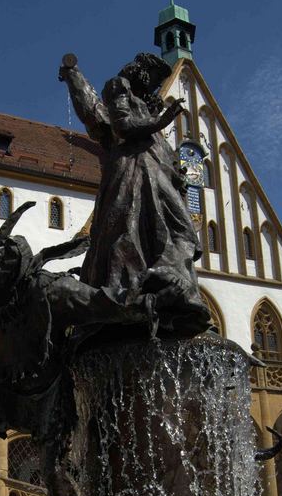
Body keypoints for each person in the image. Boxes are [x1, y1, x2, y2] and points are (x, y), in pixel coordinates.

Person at [59, 52, 212, 338]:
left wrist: (177, 175)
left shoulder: (146, 105)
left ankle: (173, 285)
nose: (156, 85)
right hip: (133, 171)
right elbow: (122, 126)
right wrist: (161, 121)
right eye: (155, 78)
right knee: (128, 232)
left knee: (182, 232)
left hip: (156, 173)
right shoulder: (118, 86)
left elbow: (161, 149)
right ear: (142, 72)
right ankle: (133, 291)